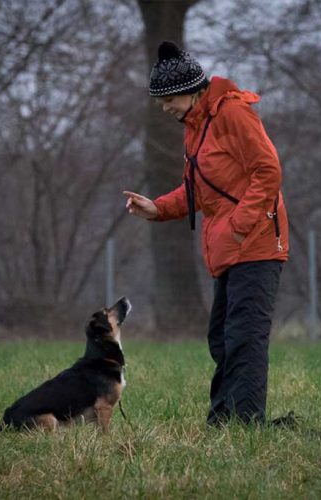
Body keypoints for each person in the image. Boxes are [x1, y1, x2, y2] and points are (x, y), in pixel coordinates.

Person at [123, 41, 289, 426]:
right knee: (222, 338)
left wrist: (239, 225)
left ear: (193, 90)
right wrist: (158, 208)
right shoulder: (196, 128)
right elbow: (199, 191)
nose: (164, 108)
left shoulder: (233, 113)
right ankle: (223, 418)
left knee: (245, 338)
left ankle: (245, 423)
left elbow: (269, 172)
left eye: (168, 99)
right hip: (228, 249)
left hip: (257, 244)